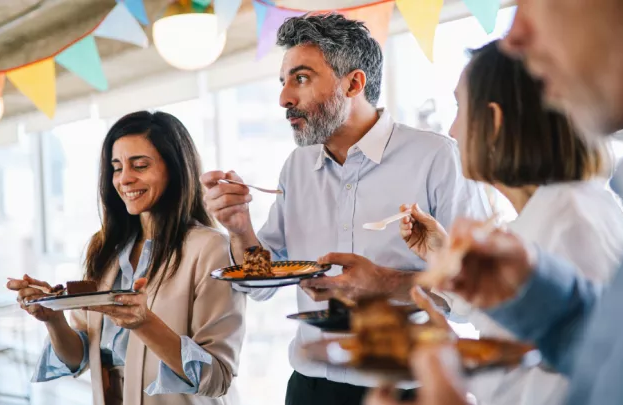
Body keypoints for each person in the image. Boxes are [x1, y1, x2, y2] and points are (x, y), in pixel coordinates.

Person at [372, 0, 623, 404]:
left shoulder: (570, 219)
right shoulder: (555, 216)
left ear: (494, 122)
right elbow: (606, 354)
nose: (452, 132)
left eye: (460, 109)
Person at [200, 13, 490, 405]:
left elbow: (475, 295)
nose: (284, 98)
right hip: (310, 389)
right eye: (283, 81)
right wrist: (239, 229)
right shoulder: (297, 166)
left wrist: (387, 283)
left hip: (410, 388)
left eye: (300, 78)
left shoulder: (437, 157)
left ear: (354, 83)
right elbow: (263, 284)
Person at [7, 111, 246, 405]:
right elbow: (81, 357)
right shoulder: (103, 248)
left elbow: (217, 377)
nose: (125, 179)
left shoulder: (210, 249)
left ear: (175, 168)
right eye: (117, 167)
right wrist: (54, 319)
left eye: (140, 165)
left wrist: (144, 322)